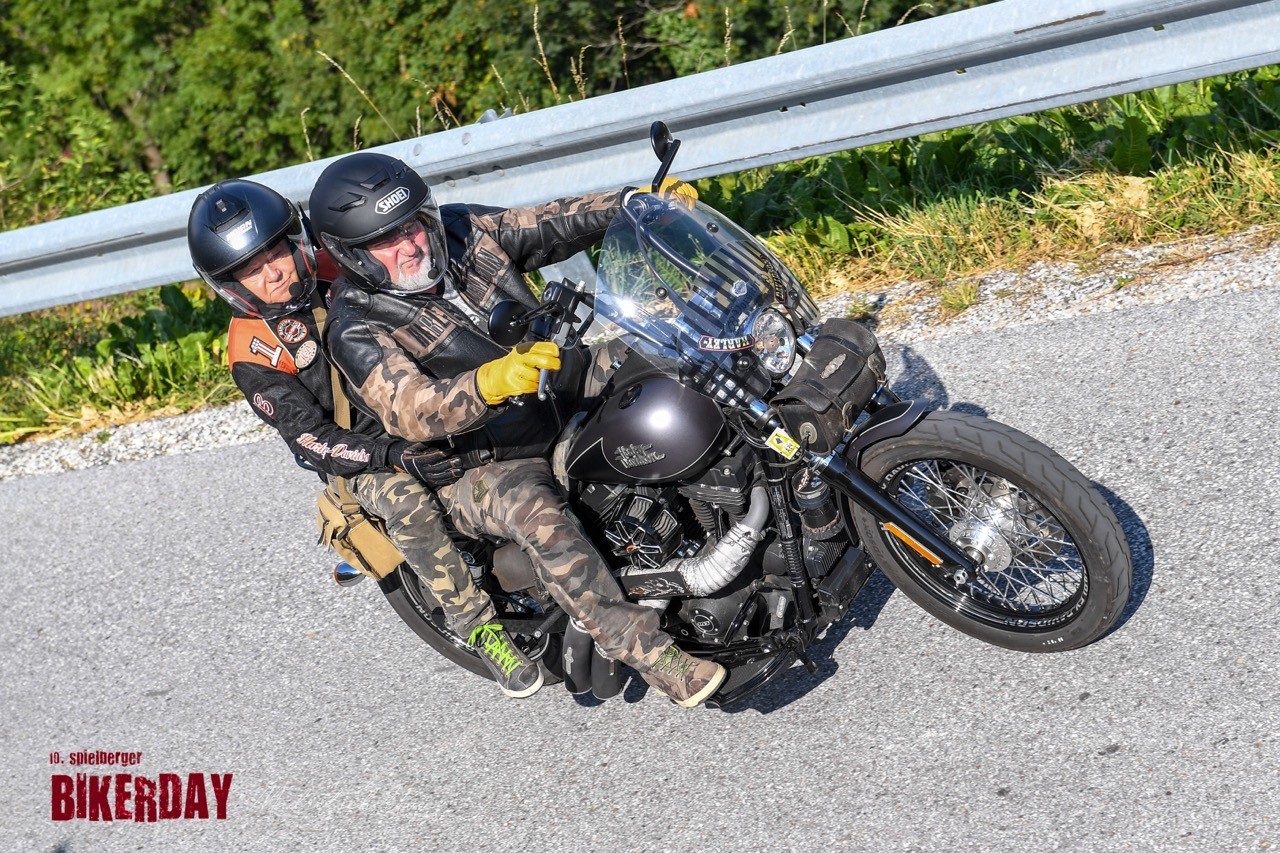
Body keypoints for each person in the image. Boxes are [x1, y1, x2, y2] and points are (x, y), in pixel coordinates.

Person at [310, 151, 726, 708]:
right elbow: (409, 408)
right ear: (353, 256)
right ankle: (653, 656)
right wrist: (487, 384)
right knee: (540, 518)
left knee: (678, 352)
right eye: (388, 240)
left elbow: (549, 222)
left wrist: (635, 204)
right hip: (479, 460)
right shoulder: (355, 323)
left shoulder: (462, 232)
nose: (412, 244)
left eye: (413, 225)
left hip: (554, 383)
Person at [186, 178, 544, 698]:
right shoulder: (253, 352)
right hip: (366, 454)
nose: (273, 272)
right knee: (406, 503)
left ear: (298, 239)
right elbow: (310, 440)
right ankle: (480, 628)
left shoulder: (345, 263)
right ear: (229, 286)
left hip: (424, 400)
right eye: (251, 270)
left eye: (276, 253)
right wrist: (393, 455)